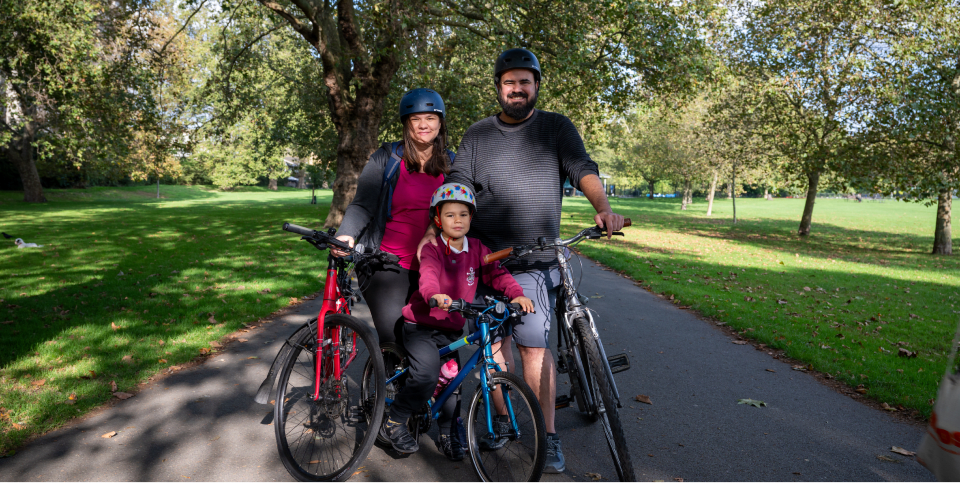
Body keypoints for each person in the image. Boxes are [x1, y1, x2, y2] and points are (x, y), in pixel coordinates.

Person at [419, 48, 625, 473]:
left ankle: (547, 437)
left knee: (533, 346)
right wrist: (436, 228)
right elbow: (458, 183)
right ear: (499, 87)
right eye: (509, 82)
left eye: (524, 82)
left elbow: (581, 167)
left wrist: (602, 206)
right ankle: (503, 419)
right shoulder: (477, 134)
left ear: (535, 86)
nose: (517, 88)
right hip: (487, 258)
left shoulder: (555, 127)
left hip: (535, 260)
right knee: (493, 346)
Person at [382, 183, 535, 460]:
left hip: (450, 329)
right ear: (438, 219)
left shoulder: (477, 249)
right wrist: (434, 294)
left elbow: (497, 274)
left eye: (463, 214)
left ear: (471, 218)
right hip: (421, 327)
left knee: (452, 380)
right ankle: (395, 420)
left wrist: (518, 295)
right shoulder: (433, 248)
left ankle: (447, 432)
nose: (457, 220)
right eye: (450, 215)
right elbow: (428, 275)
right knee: (427, 374)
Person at [334, 88, 453, 345]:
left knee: (440, 344)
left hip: (435, 267)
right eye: (415, 119)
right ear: (405, 124)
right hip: (387, 265)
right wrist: (347, 233)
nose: (423, 125)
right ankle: (388, 384)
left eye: (430, 118)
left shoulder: (453, 164)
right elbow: (362, 205)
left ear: (440, 122)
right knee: (396, 339)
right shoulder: (386, 159)